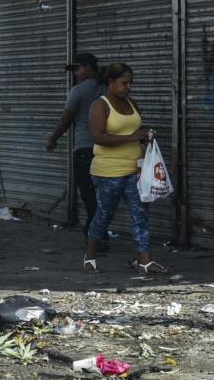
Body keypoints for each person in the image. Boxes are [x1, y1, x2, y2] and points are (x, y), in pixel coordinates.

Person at [82, 62, 166, 275]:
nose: (128, 87)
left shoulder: (131, 103)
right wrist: (132, 137)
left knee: (140, 215)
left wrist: (146, 135)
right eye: (124, 83)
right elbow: (99, 137)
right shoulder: (99, 106)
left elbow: (136, 129)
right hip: (107, 172)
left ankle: (145, 261)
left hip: (134, 169)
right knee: (103, 215)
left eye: (131, 83)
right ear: (110, 82)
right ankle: (89, 258)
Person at [46, 53, 108, 248]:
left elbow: (66, 119)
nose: (75, 72)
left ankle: (96, 236)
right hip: (108, 150)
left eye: (78, 68)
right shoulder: (109, 89)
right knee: (104, 195)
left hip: (86, 151)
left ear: (89, 68)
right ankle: (98, 233)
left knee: (90, 196)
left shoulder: (78, 91)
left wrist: (52, 139)